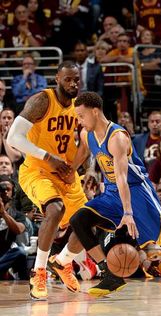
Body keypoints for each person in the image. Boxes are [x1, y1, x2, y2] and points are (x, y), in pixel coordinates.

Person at [61, 92, 161, 297]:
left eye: (81, 116)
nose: (79, 121)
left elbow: (122, 179)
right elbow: (83, 150)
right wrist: (71, 170)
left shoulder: (117, 137)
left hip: (138, 193)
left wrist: (127, 213)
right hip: (111, 192)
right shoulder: (86, 133)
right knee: (79, 220)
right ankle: (110, 274)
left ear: (95, 111)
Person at [7, 61, 88, 300]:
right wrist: (48, 157)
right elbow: (13, 137)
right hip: (38, 170)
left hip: (65, 173)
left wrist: (78, 167)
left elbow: (84, 143)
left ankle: (63, 262)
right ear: (57, 79)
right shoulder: (42, 100)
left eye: (76, 80)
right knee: (54, 209)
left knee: (92, 219)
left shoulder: (78, 107)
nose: (73, 84)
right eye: (68, 79)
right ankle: (39, 271)